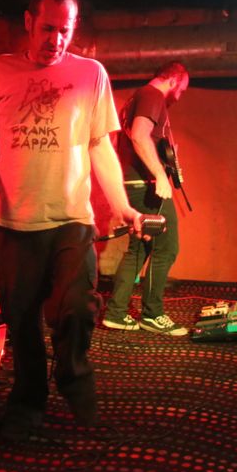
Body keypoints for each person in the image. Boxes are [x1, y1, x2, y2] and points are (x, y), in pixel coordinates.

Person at [0, 0, 143, 441]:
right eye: (48, 28)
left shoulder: (91, 73)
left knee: (76, 307)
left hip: (70, 218)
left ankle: (73, 374)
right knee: (21, 322)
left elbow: (99, 145)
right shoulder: (1, 70)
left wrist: (120, 204)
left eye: (66, 30)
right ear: (29, 22)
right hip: (13, 221)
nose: (56, 39)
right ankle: (27, 402)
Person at [102, 61, 190, 336]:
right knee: (166, 248)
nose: (180, 96)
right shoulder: (152, 95)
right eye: (181, 89)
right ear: (173, 80)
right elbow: (140, 136)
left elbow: (135, 138)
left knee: (139, 249)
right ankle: (153, 314)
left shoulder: (136, 98)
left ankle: (116, 313)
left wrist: (167, 163)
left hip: (135, 183)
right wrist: (160, 175)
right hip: (147, 186)